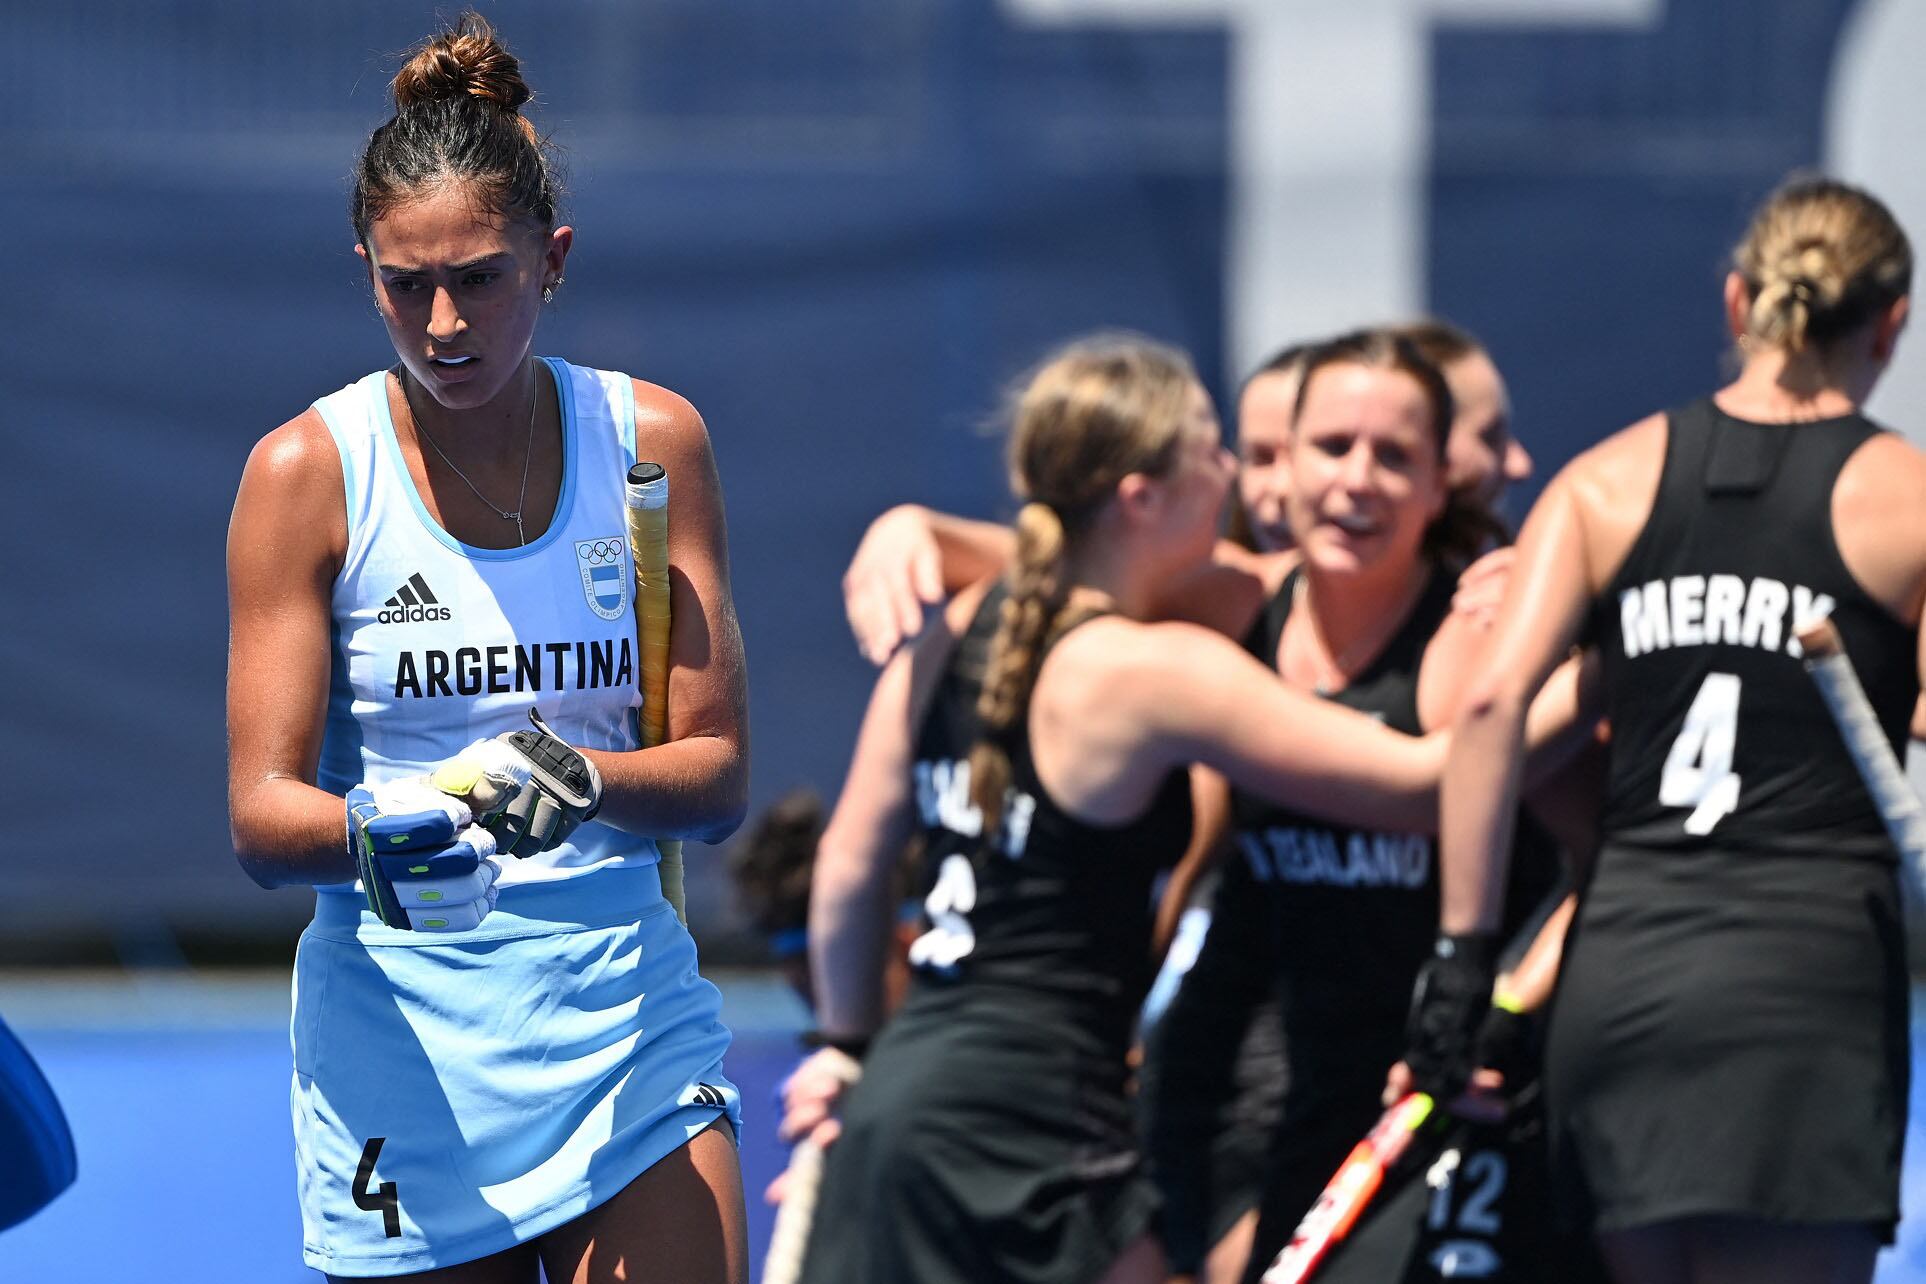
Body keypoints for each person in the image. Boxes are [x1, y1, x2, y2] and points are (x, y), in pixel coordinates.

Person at [780, 334, 1480, 1284]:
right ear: (1143, 496)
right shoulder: (1151, 671)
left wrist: (849, 1045)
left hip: (897, 1105)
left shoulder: (955, 626)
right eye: (1213, 447)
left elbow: (854, 863)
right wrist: (1592, 663)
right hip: (1032, 1121)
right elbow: (1428, 785)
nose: (1238, 472)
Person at [224, 14, 750, 1281]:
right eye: (407, 285)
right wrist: (371, 830)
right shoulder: (306, 472)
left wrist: (587, 783)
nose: (445, 323)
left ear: (552, 260)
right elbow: (258, 819)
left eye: (482, 278)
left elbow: (718, 778)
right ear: (365, 270)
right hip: (402, 1037)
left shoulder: (652, 442)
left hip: (626, 1022)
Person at [1418, 175, 1922, 1284]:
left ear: (1738, 302)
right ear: (1893, 321)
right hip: (1808, 994)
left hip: (1629, 988)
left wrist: (1461, 957)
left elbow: (1491, 708)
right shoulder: (1911, 500)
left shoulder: (1605, 481)